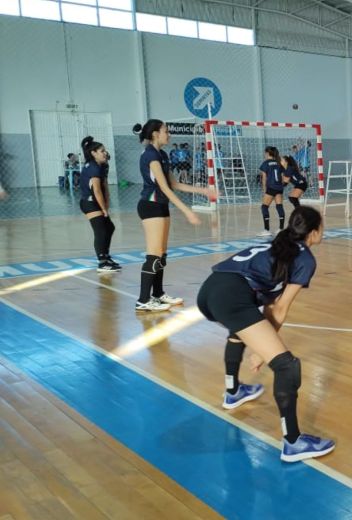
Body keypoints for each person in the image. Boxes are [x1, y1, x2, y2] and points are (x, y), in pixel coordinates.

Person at [197, 206, 335, 462]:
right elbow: (280, 309)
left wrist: (261, 344)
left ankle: (233, 391)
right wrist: (263, 353)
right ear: (314, 233)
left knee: (240, 329)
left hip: (209, 291)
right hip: (231, 297)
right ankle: (293, 443)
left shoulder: (280, 244)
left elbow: (270, 304)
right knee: (287, 367)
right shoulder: (305, 258)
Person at [133, 120, 214, 312]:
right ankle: (143, 300)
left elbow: (174, 184)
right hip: (150, 205)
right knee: (153, 254)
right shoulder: (151, 155)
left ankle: (158, 294)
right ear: (155, 134)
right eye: (165, 131)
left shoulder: (162, 154)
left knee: (161, 254)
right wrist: (187, 211)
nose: (169, 134)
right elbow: (164, 188)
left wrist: (203, 191)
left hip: (161, 206)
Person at [78, 136, 120, 273]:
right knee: (101, 230)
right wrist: (103, 209)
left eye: (105, 150)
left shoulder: (103, 166)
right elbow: (96, 190)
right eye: (102, 150)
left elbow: (104, 187)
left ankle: (106, 257)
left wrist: (107, 203)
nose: (105, 153)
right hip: (89, 202)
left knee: (110, 227)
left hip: (96, 202)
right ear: (93, 153)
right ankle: (102, 262)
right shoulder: (94, 167)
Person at [259, 146, 287, 237]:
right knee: (279, 206)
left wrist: (264, 190)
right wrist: (280, 186)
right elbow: (283, 178)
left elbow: (264, 178)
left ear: (267, 153)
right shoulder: (279, 163)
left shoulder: (265, 163)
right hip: (279, 187)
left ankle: (266, 230)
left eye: (265, 153)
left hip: (271, 188)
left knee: (264, 207)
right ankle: (281, 229)